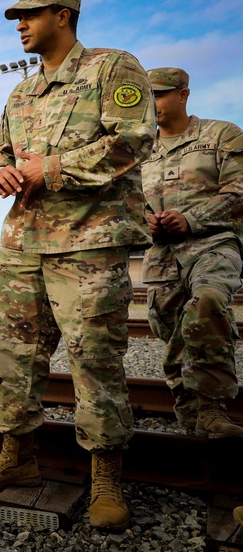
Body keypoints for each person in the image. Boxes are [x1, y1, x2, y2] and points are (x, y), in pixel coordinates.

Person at [0, 0, 155, 531]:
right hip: (23, 243)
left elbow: (132, 139)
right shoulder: (21, 92)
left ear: (63, 15)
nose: (19, 25)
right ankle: (18, 457)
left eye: (28, 15)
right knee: (13, 358)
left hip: (89, 243)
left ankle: (106, 476)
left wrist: (52, 168)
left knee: (94, 361)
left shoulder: (112, 68)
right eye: (17, 17)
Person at [140, 67, 243, 438]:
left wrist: (191, 218)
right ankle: (192, 416)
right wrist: (144, 222)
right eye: (145, 96)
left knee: (208, 302)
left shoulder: (221, 135)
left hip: (213, 244)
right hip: (161, 257)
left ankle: (213, 409)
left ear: (183, 94)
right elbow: (124, 204)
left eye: (158, 94)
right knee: (174, 333)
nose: (150, 104)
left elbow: (239, 191)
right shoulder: (138, 150)